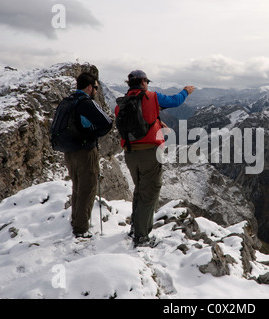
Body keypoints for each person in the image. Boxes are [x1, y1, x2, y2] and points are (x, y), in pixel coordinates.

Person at [115, 70, 195, 247]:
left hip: (129, 153)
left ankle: (135, 229)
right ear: (143, 82)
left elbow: (136, 124)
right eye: (147, 82)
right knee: (149, 193)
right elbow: (175, 101)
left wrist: (158, 123)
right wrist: (186, 91)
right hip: (149, 153)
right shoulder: (152, 97)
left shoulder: (121, 103)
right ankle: (142, 237)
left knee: (140, 189)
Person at [51, 72, 113, 238]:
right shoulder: (86, 103)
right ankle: (81, 229)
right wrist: (93, 134)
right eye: (96, 87)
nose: (96, 91)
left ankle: (76, 221)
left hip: (69, 152)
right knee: (88, 187)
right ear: (89, 86)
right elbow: (107, 123)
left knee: (77, 187)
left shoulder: (68, 101)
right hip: (85, 151)